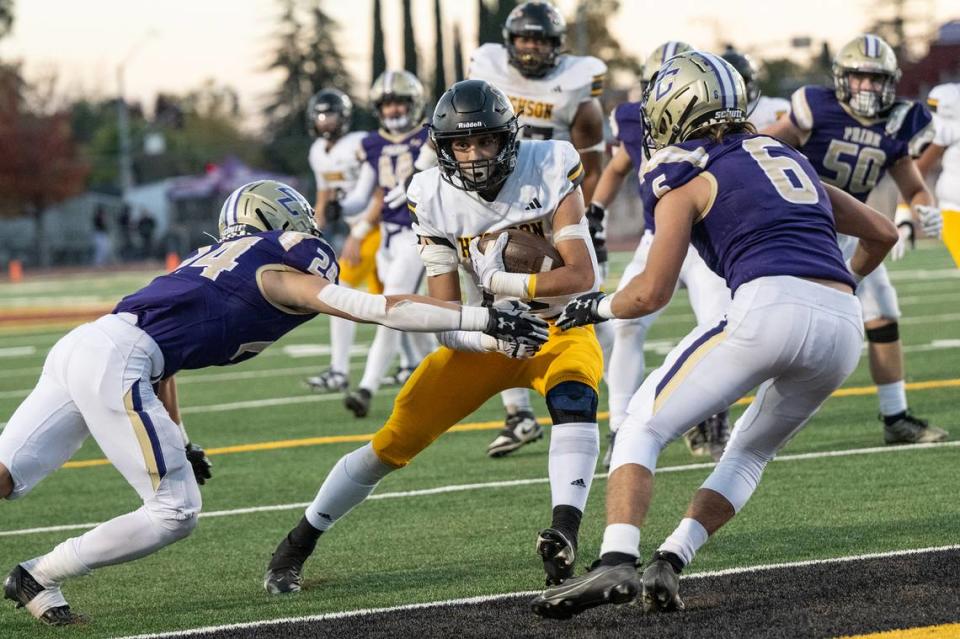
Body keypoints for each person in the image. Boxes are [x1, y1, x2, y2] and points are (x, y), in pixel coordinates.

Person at [0, 180, 546, 626]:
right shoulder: (281, 269)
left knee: (4, 475)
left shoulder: (207, 260)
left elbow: (162, 358)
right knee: (175, 512)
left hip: (85, 346)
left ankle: (36, 576)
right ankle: (39, 572)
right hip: (116, 359)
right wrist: (482, 316)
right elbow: (377, 307)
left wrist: (183, 439)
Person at [530, 51, 898, 619]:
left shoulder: (686, 172)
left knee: (639, 426)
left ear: (680, 106)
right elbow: (882, 232)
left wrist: (595, 306)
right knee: (748, 454)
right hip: (842, 326)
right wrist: (838, 281)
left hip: (767, 307)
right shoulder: (788, 157)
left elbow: (651, 292)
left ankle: (617, 558)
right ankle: (671, 560)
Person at [264, 80, 603, 595]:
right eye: (461, 145)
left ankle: (564, 535)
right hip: (491, 335)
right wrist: (492, 335)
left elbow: (582, 277)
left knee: (575, 396)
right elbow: (444, 318)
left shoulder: (551, 164)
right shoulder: (433, 196)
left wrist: (500, 282)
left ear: (507, 139)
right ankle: (297, 543)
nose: (474, 155)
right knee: (394, 441)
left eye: (485, 141)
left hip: (557, 326)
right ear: (443, 148)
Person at [763, 34, 948, 444]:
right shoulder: (815, 107)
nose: (867, 86)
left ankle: (895, 416)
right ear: (842, 79)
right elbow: (762, 148)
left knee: (883, 312)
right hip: (803, 230)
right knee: (787, 331)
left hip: (853, 231)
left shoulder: (898, 122)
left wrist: (922, 208)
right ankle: (749, 418)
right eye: (859, 77)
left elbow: (915, 186)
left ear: (889, 82)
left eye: (875, 78)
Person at [468, 0, 613, 456]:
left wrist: (585, 210)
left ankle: (616, 410)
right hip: (496, 199)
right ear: (509, 43)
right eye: (524, 38)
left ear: (557, 46)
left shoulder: (577, 81)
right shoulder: (485, 65)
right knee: (488, 300)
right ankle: (518, 414)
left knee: (585, 305)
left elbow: (592, 156)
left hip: (553, 200)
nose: (530, 48)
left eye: (540, 39)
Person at [589, 41, 732, 466]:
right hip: (658, 236)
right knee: (627, 325)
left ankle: (710, 412)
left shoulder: (717, 124)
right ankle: (619, 423)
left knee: (721, 328)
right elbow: (618, 164)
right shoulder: (630, 120)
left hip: (708, 239)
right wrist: (595, 212)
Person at [336, 70, 438, 418]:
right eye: (387, 103)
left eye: (399, 102)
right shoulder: (373, 143)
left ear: (414, 103)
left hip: (418, 234)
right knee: (412, 319)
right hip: (387, 241)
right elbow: (367, 194)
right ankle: (443, 378)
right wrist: (344, 207)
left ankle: (366, 388)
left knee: (391, 307)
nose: (394, 110)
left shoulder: (428, 137)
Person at [301, 88, 381, 395]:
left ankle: (339, 370)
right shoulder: (317, 152)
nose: (325, 121)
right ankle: (412, 362)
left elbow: (380, 189)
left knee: (342, 291)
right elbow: (324, 197)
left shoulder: (359, 143)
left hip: (378, 225)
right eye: (320, 115)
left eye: (330, 114)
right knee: (395, 297)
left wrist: (359, 233)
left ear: (344, 117)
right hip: (357, 227)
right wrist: (310, 232)